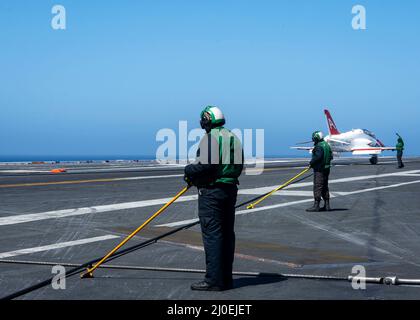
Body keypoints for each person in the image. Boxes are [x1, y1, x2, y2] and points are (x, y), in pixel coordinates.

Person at [184, 106, 244, 291]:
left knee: (213, 236)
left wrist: (188, 171)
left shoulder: (211, 138)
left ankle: (213, 281)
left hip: (212, 193)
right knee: (226, 235)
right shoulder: (233, 136)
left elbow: (207, 166)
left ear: (207, 119)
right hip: (230, 190)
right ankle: (226, 278)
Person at [306, 131, 333, 212]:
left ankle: (316, 205)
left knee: (318, 186)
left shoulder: (319, 146)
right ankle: (327, 205)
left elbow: (318, 157)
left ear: (316, 137)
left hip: (319, 170)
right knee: (325, 186)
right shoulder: (327, 145)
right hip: (326, 169)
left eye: (314, 138)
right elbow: (331, 156)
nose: (313, 139)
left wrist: (311, 163)